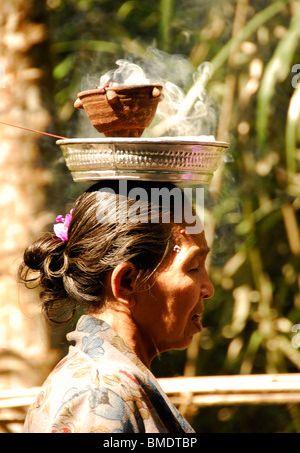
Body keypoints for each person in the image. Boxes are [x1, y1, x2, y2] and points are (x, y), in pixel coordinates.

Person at [19, 180, 214, 433]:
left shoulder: (110, 384)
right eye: (193, 268)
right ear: (126, 283)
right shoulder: (97, 397)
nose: (208, 288)